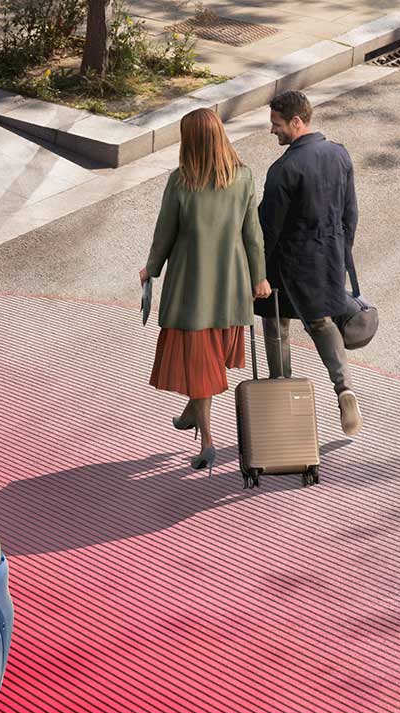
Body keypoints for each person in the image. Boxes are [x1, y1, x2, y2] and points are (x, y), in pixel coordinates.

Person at [139, 107, 270, 470]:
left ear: (190, 141)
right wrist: (259, 277)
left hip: (191, 291)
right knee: (210, 361)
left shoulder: (181, 182)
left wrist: (151, 269)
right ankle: (191, 414)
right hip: (231, 289)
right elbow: (252, 235)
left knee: (199, 367)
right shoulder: (243, 177)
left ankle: (209, 440)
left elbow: (164, 233)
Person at [258, 90, 361, 436]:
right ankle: (344, 387)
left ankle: (282, 395)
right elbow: (350, 214)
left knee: (277, 328)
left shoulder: (283, 170)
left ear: (297, 122)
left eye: (276, 124)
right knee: (321, 324)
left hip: (287, 266)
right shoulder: (339, 155)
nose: (273, 131)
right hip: (328, 258)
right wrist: (340, 253)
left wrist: (259, 273)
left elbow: (268, 229)